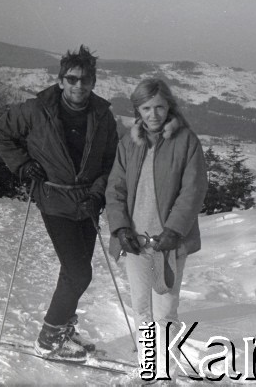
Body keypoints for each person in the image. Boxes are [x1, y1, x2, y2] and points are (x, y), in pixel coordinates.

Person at [0, 45, 118, 361]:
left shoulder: (102, 115)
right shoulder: (37, 110)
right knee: (79, 273)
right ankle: (48, 339)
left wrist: (98, 194)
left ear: (93, 82)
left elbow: (110, 161)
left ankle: (64, 328)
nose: (78, 85)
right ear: (61, 80)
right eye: (72, 79)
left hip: (88, 201)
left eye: (85, 80)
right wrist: (22, 164)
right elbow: (0, 133)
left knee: (72, 271)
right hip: (54, 199)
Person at [105, 78, 207, 382]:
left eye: (159, 107)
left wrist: (174, 230)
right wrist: (121, 227)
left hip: (168, 244)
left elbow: (193, 190)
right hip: (136, 242)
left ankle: (166, 372)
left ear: (169, 106)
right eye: (146, 108)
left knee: (164, 312)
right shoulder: (129, 142)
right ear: (137, 110)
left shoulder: (186, 141)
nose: (153, 114)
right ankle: (148, 368)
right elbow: (115, 189)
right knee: (141, 309)